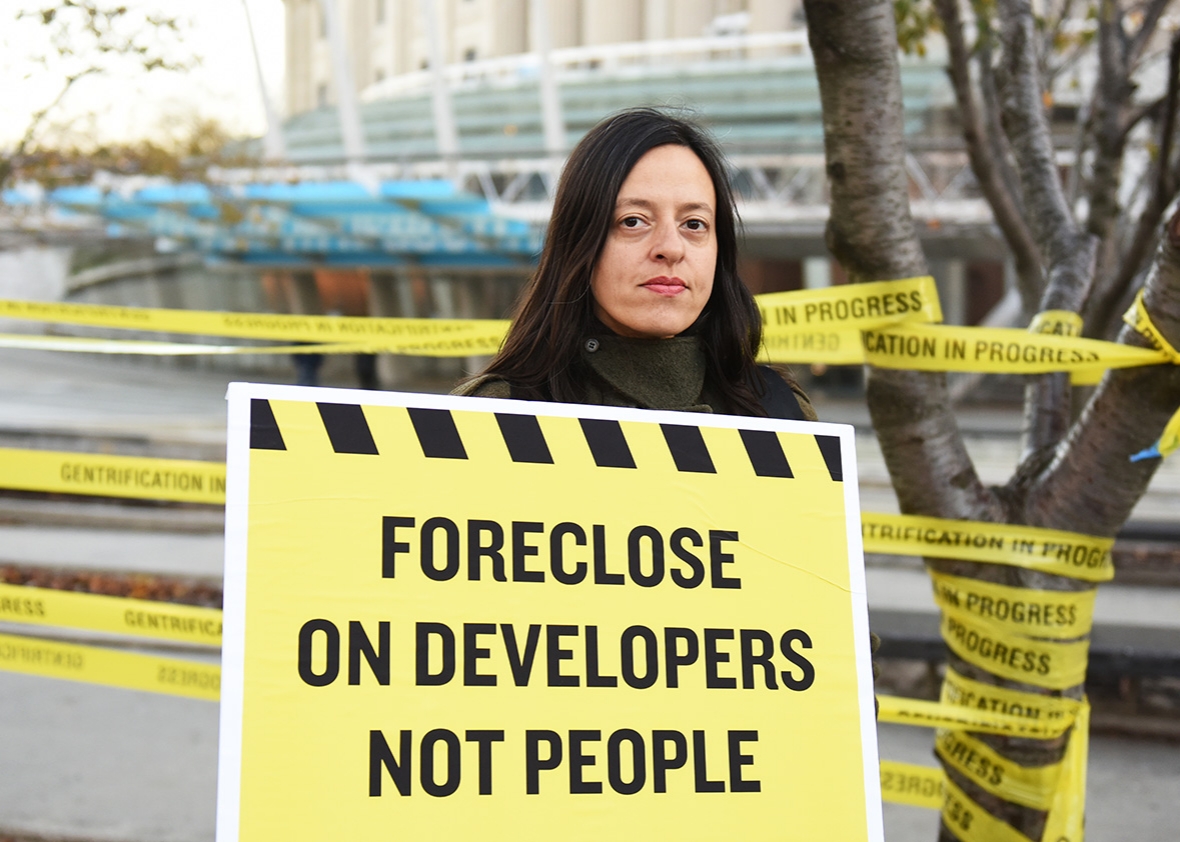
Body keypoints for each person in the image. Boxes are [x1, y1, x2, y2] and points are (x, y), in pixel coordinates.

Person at [453, 107, 817, 421]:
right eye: (633, 221)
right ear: (580, 241)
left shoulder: (783, 410)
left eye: (694, 224)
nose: (671, 249)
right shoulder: (493, 413)